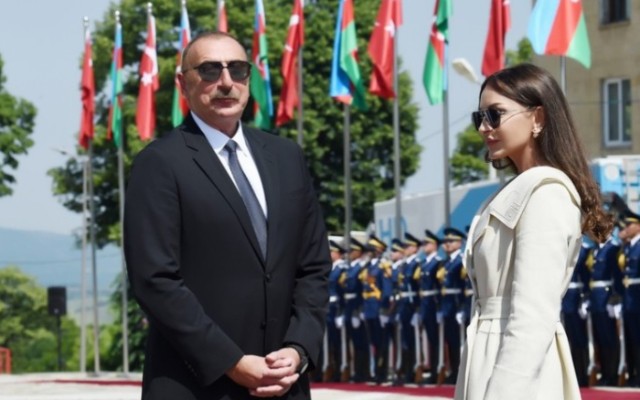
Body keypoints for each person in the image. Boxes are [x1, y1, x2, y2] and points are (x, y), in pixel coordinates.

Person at [124, 32, 331, 400]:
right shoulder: (159, 163)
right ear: (182, 83)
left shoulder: (286, 158)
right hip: (196, 385)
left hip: (283, 382)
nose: (225, 82)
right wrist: (231, 361)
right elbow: (155, 280)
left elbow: (313, 266)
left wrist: (298, 349)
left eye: (237, 70)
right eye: (209, 70)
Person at [454, 63, 612, 400]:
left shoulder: (546, 193)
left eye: (495, 115)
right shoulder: (517, 190)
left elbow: (532, 316)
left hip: (519, 373)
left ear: (537, 117)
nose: (483, 127)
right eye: (479, 117)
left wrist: (502, 393)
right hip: (489, 352)